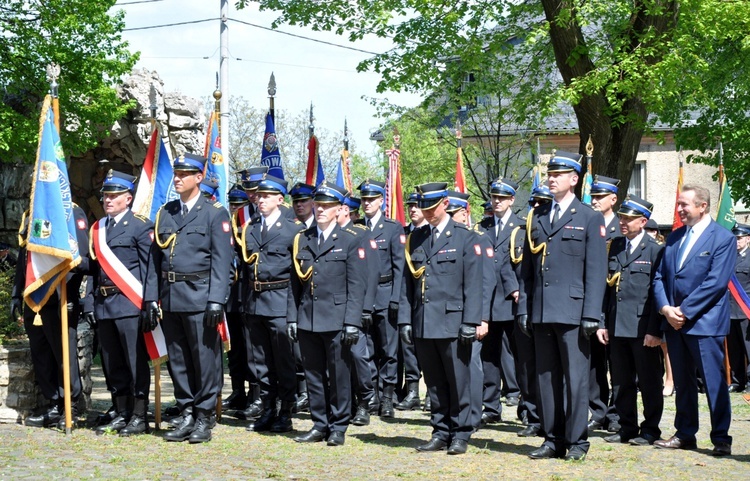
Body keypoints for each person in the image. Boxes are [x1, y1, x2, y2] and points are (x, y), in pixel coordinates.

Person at [518, 151, 607, 461]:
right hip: (542, 311)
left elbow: (595, 272)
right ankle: (552, 439)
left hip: (573, 312)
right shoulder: (537, 217)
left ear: (574, 179)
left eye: (559, 174)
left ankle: (578, 441)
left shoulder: (589, 217)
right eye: (549, 174)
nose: (551, 178)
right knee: (546, 378)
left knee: (576, 379)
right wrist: (524, 309)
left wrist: (591, 314)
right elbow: (526, 272)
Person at [153, 153, 233, 443]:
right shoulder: (166, 212)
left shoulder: (214, 213)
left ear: (199, 177)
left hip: (201, 296)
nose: (177, 178)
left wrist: (216, 300)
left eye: (185, 174)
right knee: (178, 359)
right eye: (176, 173)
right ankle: (186, 411)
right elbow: (155, 262)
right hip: (171, 297)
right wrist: (152, 298)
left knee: (205, 359)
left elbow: (222, 262)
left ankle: (204, 416)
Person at [399, 182, 482, 455]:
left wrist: (471, 321)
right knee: (434, 381)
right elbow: (407, 284)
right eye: (424, 208)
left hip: (453, 322)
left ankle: (460, 432)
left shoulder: (464, 237)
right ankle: (440, 430)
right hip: (424, 321)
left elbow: (473, 284)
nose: (428, 213)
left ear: (445, 204)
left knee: (458, 380)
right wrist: (405, 320)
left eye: (432, 208)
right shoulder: (417, 238)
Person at [652, 184, 735, 456]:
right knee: (683, 383)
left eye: (684, 205)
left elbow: (715, 283)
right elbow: (660, 277)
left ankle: (721, 437)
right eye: (679, 204)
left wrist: (683, 311)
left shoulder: (722, 238)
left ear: (703, 206)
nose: (679, 210)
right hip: (674, 323)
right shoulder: (674, 238)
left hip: (704, 323)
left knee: (713, 383)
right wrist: (666, 308)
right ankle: (685, 433)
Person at [287, 181, 367, 446]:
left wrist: (352, 322)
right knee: (313, 375)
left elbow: (357, 287)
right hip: (308, 317)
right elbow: (294, 285)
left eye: (327, 205)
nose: (320, 209)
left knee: (339, 375)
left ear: (339, 209)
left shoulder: (350, 240)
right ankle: (319, 423)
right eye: (318, 204)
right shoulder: (303, 238)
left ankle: (339, 425)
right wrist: (291, 317)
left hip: (337, 318)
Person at [84, 170, 159, 436]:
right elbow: (95, 270)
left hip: (129, 302)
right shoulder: (98, 228)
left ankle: (139, 415)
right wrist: (89, 302)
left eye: (114, 195)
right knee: (111, 362)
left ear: (128, 198)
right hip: (104, 304)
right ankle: (121, 410)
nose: (108, 200)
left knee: (134, 361)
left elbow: (150, 268)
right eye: (106, 195)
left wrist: (150, 301)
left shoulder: (141, 226)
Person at [13, 204, 90, 429]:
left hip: (60, 296)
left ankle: (70, 405)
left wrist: (65, 286)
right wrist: (16, 293)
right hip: (34, 297)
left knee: (62, 353)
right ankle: (53, 403)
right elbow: (25, 257)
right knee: (41, 354)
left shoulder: (70, 211)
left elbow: (80, 257)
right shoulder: (31, 214)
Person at [597, 195, 664, 446]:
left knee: (648, 382)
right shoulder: (614, 246)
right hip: (616, 326)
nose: (622, 222)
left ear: (643, 221)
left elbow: (658, 293)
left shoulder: (656, 250)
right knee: (622, 381)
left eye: (628, 218)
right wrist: (603, 322)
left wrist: (655, 330)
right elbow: (606, 289)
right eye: (621, 217)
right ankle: (627, 426)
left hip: (642, 328)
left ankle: (650, 429)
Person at [239, 175, 301, 434]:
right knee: (261, 362)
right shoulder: (250, 228)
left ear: (280, 199)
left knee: (284, 361)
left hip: (280, 301)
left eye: (266, 196)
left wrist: (293, 313)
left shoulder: (293, 230)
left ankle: (285, 412)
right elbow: (245, 270)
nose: (260, 200)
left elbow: (298, 277)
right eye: (258, 196)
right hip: (255, 303)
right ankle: (267, 408)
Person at [356, 179, 405, 419]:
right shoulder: (357, 228)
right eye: (363, 199)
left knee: (388, 350)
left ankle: (387, 397)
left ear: (381, 201)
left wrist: (396, 298)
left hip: (386, 294)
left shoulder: (392, 228)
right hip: (363, 296)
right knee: (366, 350)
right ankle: (370, 397)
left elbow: (399, 266)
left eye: (371, 199)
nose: (366, 203)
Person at [477, 178, 523, 426]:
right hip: (487, 302)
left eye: (502, 198)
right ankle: (491, 406)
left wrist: (515, 289)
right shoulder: (481, 228)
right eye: (494, 197)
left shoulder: (521, 228)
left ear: (511, 201)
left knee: (519, 356)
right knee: (489, 357)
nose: (496, 202)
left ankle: (526, 407)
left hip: (511, 300)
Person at [338, 193, 378, 427]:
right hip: (331, 307)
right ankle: (346, 403)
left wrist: (366, 308)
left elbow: (371, 274)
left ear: (344, 210)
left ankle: (365, 400)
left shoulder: (361, 234)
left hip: (355, 306)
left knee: (357, 355)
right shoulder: (329, 235)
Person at [587, 175, 622, 433]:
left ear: (614, 199)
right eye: (593, 196)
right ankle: (598, 410)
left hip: (616, 302)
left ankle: (616, 413)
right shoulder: (588, 223)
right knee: (594, 362)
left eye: (600, 197)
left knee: (618, 363)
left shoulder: (622, 227)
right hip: (593, 301)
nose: (595, 201)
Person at [223, 185, 252, 412]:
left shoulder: (249, 226)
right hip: (231, 297)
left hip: (249, 295)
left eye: (239, 204)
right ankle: (237, 392)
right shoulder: (227, 227)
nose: (235, 208)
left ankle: (256, 394)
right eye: (232, 204)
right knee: (234, 349)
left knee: (251, 349)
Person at [396, 192, 425, 411]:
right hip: (407, 297)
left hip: (427, 298)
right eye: (410, 206)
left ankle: (433, 393)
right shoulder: (403, 234)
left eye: (416, 206)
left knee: (429, 348)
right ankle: (412, 390)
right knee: (408, 347)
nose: (412, 209)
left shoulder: (429, 235)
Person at [727, 223, 750, 393]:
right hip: (729, 311)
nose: (736, 241)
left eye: (740, 238)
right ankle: (737, 381)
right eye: (734, 238)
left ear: (748, 239)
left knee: (748, 348)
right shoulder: (729, 257)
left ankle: (749, 381)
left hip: (746, 310)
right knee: (734, 349)